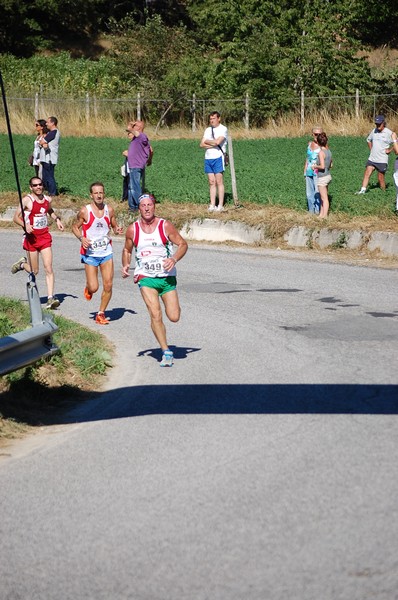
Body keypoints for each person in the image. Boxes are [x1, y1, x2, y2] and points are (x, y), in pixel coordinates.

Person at [122, 193, 188, 367]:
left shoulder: (165, 225)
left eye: (149, 205)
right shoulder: (133, 229)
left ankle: (167, 343)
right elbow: (127, 250)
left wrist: (173, 259)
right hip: (146, 277)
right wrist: (125, 265)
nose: (146, 208)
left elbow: (183, 244)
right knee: (155, 313)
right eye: (143, 205)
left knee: (174, 316)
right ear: (139, 209)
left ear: (154, 206)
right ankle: (165, 350)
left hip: (167, 278)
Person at [72, 182, 123, 325]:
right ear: (91, 195)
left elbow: (113, 225)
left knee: (108, 285)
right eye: (96, 193)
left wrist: (117, 229)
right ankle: (88, 287)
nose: (99, 195)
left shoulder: (110, 210)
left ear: (104, 194)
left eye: (101, 192)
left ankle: (101, 313)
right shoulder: (85, 211)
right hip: (90, 254)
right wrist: (81, 238)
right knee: (94, 287)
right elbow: (75, 227)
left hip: (106, 252)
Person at [10, 176, 64, 309]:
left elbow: (49, 210)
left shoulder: (47, 199)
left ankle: (51, 298)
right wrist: (25, 225)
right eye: (35, 185)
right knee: (35, 271)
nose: (38, 187)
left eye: (40, 184)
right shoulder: (27, 200)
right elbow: (15, 217)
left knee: (49, 268)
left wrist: (57, 219)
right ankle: (22, 264)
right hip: (32, 239)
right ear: (31, 187)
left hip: (45, 237)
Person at [356, 115, 396, 195]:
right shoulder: (374, 131)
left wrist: (390, 150)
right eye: (376, 124)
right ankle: (362, 191)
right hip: (372, 158)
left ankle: (383, 193)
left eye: (379, 124)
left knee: (380, 178)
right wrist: (371, 150)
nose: (377, 126)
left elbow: (396, 142)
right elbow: (368, 140)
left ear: (383, 123)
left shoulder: (389, 133)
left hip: (382, 159)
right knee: (367, 173)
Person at [200, 111, 228, 212]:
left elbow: (218, 142)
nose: (212, 121)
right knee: (211, 182)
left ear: (219, 119)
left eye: (214, 118)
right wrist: (211, 143)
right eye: (210, 119)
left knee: (219, 181)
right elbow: (201, 144)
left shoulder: (223, 129)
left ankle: (220, 205)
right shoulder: (208, 130)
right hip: (208, 158)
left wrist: (208, 141)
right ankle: (212, 204)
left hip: (218, 157)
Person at [123, 120, 151, 211]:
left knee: (135, 187)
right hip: (133, 165)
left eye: (135, 125)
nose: (134, 126)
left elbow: (129, 130)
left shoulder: (142, 136)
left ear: (139, 127)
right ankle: (132, 207)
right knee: (131, 187)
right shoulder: (136, 138)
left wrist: (130, 126)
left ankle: (141, 206)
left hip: (136, 165)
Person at [39, 116, 60, 196]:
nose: (46, 124)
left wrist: (43, 141)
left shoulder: (53, 132)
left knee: (49, 177)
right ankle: (49, 192)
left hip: (49, 159)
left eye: (48, 122)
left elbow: (41, 142)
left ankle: (52, 193)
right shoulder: (51, 133)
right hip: (46, 158)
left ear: (53, 123)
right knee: (46, 177)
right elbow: (43, 142)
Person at [303, 126, 322, 213]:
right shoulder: (310, 144)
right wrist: (304, 171)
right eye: (315, 134)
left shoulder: (322, 146)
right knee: (309, 193)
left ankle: (318, 211)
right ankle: (311, 211)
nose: (317, 136)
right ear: (312, 134)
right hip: (309, 171)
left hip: (318, 172)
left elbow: (327, 159)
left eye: (319, 134)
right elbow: (307, 158)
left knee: (317, 192)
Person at [316, 132, 333, 219]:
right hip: (328, 176)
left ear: (318, 143)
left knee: (324, 198)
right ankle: (321, 215)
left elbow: (322, 166)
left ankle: (325, 216)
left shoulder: (321, 153)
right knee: (323, 197)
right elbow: (331, 165)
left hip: (322, 177)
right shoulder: (328, 151)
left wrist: (314, 166)